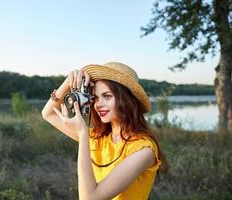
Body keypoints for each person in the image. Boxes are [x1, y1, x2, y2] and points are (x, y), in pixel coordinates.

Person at [42, 62, 168, 200]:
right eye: (95, 98)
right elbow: (48, 114)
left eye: (107, 96)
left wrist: (83, 134)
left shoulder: (143, 150)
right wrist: (68, 82)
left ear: (126, 99)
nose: (98, 104)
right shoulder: (99, 138)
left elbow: (89, 198)